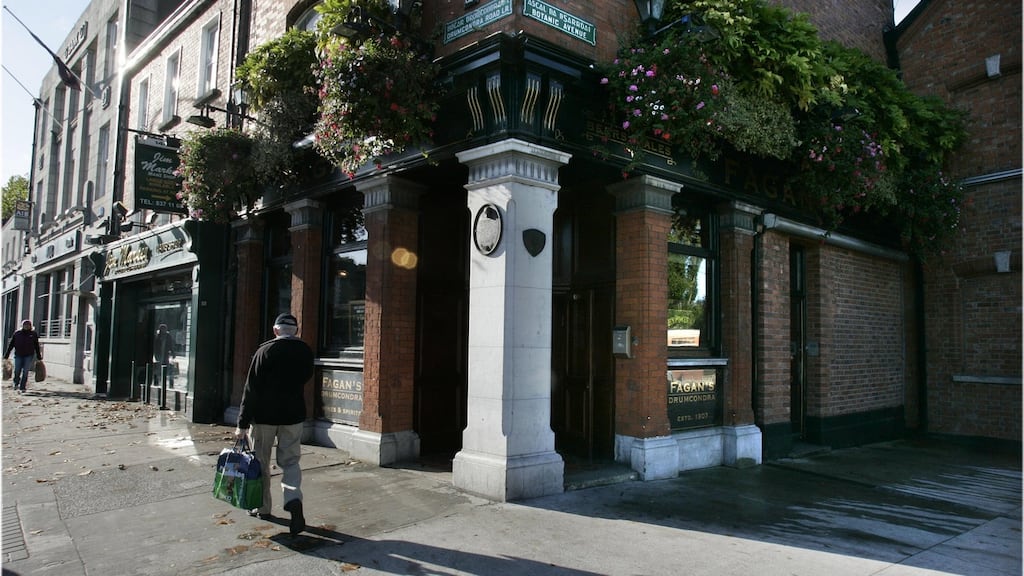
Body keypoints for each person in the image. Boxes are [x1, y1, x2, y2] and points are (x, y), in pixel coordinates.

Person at [235, 313, 314, 535]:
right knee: (290, 462)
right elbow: (306, 377)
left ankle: (262, 507)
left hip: (264, 417)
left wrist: (242, 423)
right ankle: (293, 499)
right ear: (296, 331)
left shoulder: (265, 351)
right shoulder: (305, 351)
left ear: (275, 330)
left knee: (260, 463)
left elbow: (250, 389)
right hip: (293, 416)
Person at [4, 320, 42, 393]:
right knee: (17, 370)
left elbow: (36, 346)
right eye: (25, 325)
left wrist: (39, 356)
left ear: (30, 326)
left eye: (28, 325)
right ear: (22, 325)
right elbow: (11, 344)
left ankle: (23, 386)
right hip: (18, 354)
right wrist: (7, 354)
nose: (26, 326)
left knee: (25, 371)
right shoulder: (17, 333)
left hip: (28, 355)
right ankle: (16, 383)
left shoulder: (33, 334)